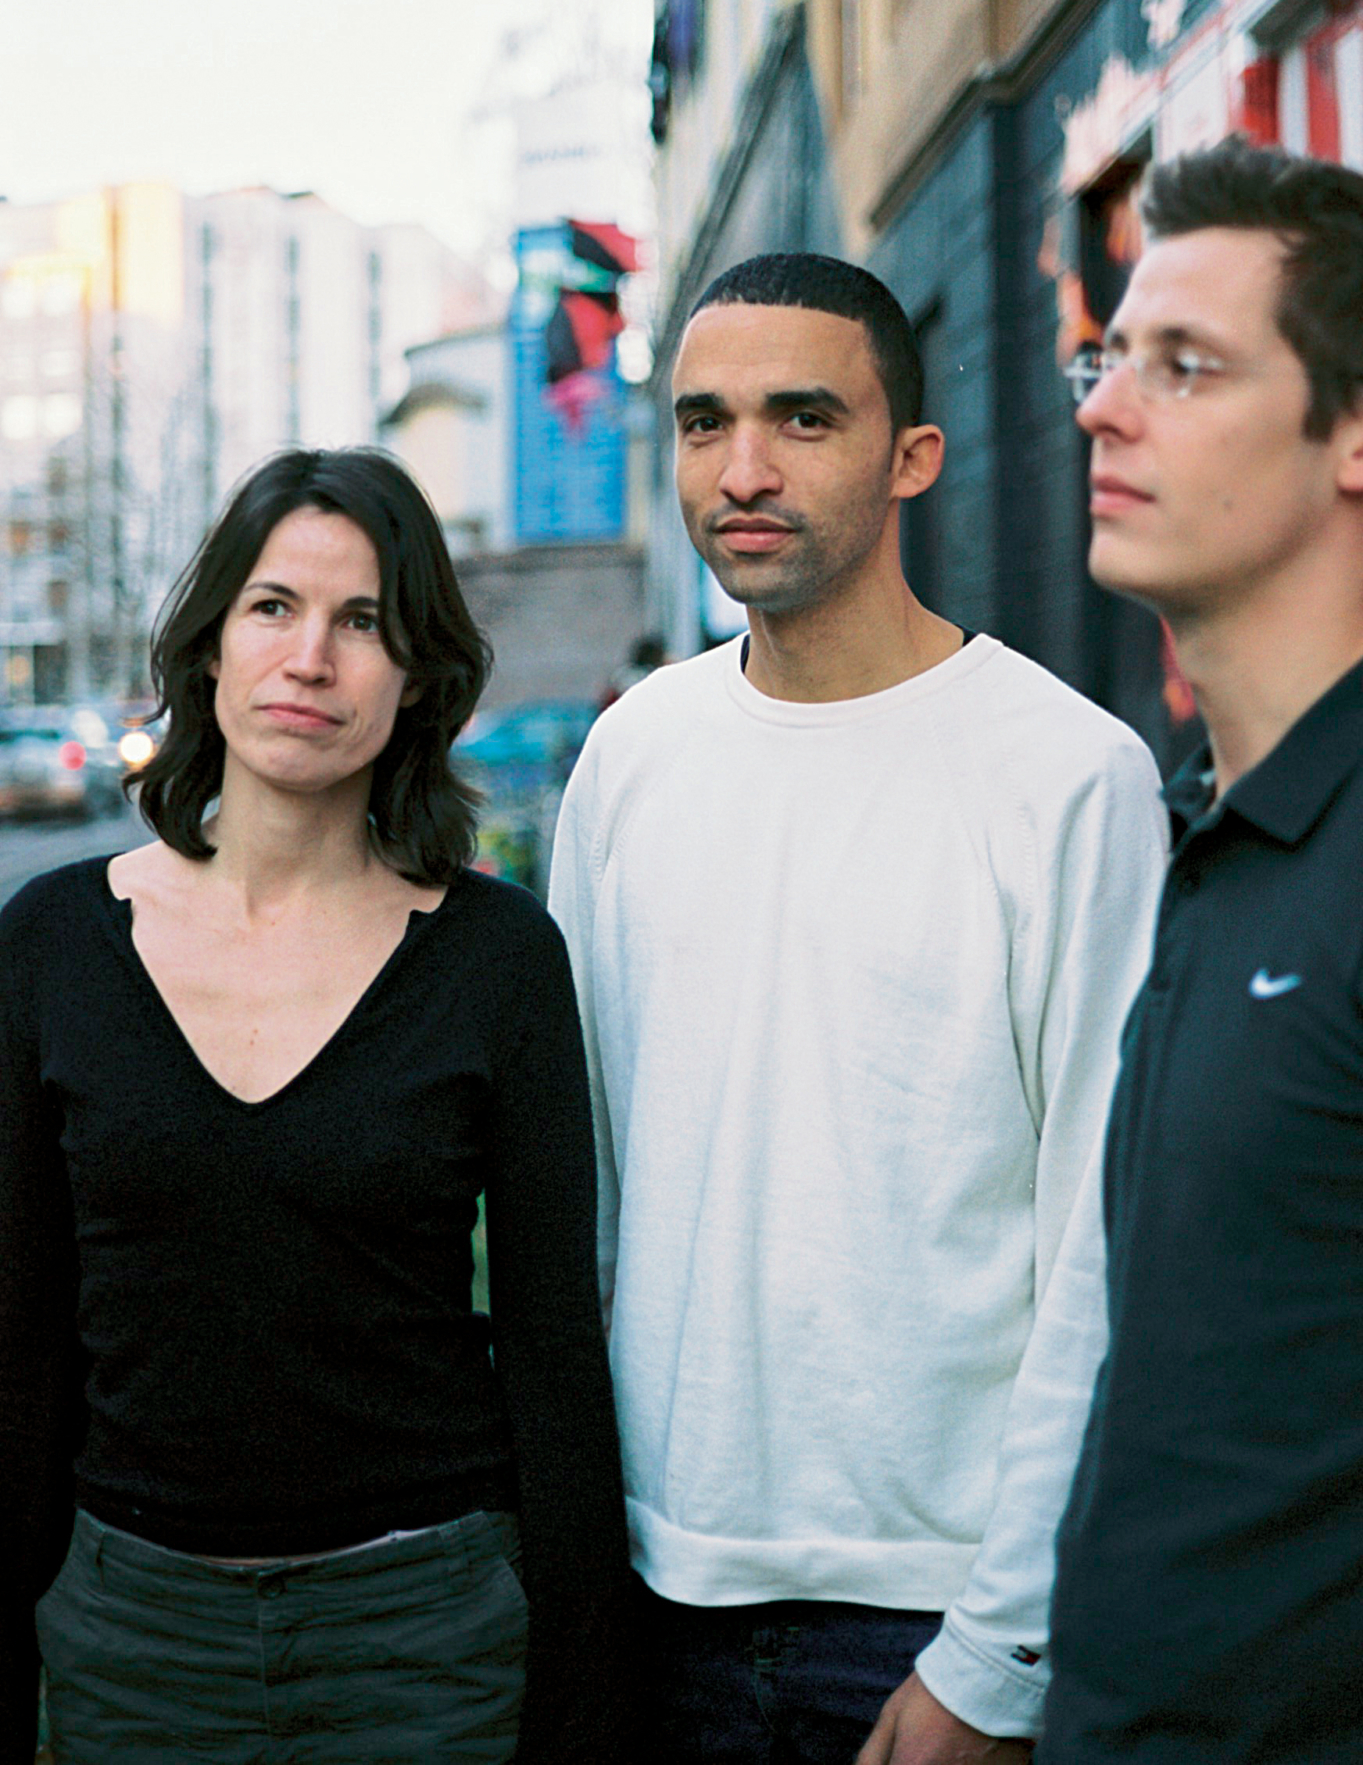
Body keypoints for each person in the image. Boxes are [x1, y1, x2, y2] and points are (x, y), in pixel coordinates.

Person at [547, 253, 1168, 1764]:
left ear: (912, 459)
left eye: (803, 419)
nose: (742, 470)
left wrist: (1003, 1656)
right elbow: (591, 1191)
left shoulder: (1069, 778)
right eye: (704, 423)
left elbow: (1108, 1243)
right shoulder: (632, 764)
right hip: (653, 1589)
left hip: (938, 1621)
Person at [0, 447, 633, 1765]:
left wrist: (576, 1686)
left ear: (416, 681)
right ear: (212, 643)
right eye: (276, 607)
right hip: (133, 1636)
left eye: (365, 624)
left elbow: (554, 1348)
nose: (312, 659)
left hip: (427, 1635)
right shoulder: (53, 943)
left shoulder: (496, 958)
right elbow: (21, 1335)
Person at [1039, 138, 1363, 1763]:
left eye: (1189, 366)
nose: (1102, 406)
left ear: (1353, 431)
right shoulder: (1193, 830)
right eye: (1112, 358)